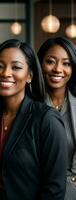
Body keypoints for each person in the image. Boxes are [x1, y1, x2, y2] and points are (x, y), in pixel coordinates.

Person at [0, 39, 67, 200]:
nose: (6, 73)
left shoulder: (46, 119)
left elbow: (54, 189)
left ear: (29, 76)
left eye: (16, 67)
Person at [37, 37, 76, 200]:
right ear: (39, 64)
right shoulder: (29, 105)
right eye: (51, 61)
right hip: (39, 190)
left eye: (66, 63)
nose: (58, 69)